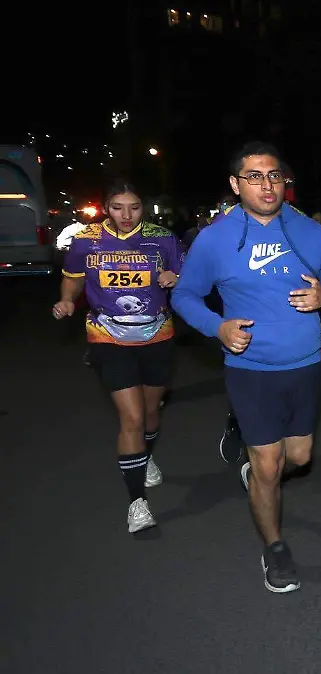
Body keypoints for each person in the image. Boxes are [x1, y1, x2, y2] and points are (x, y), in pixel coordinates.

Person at [172, 142, 321, 593]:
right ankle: (274, 548)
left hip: (306, 365)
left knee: (299, 458)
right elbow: (184, 295)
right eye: (254, 176)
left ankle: (257, 474)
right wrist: (218, 327)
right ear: (235, 185)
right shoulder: (215, 238)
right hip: (249, 369)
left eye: (274, 176)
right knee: (269, 467)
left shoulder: (309, 231)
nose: (267, 185)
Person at [52, 179, 183, 533]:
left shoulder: (163, 239)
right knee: (132, 418)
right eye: (117, 207)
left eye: (134, 207)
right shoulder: (86, 240)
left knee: (151, 413)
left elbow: (187, 278)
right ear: (106, 206)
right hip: (106, 337)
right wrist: (67, 299)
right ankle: (137, 502)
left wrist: (176, 277)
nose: (126, 215)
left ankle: (147, 456)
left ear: (144, 206)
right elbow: (73, 278)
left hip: (157, 336)